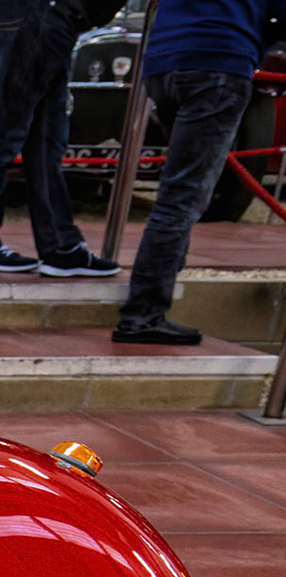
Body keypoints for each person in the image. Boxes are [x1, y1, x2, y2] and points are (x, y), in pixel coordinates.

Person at [114, 0, 280, 343]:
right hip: (221, 58)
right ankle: (144, 313)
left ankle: (157, 292)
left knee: (178, 189)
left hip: (165, 59)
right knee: (183, 195)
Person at [0, 0, 123, 275]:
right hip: (43, 15)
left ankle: (59, 245)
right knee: (8, 133)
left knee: (43, 137)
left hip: (45, 16)